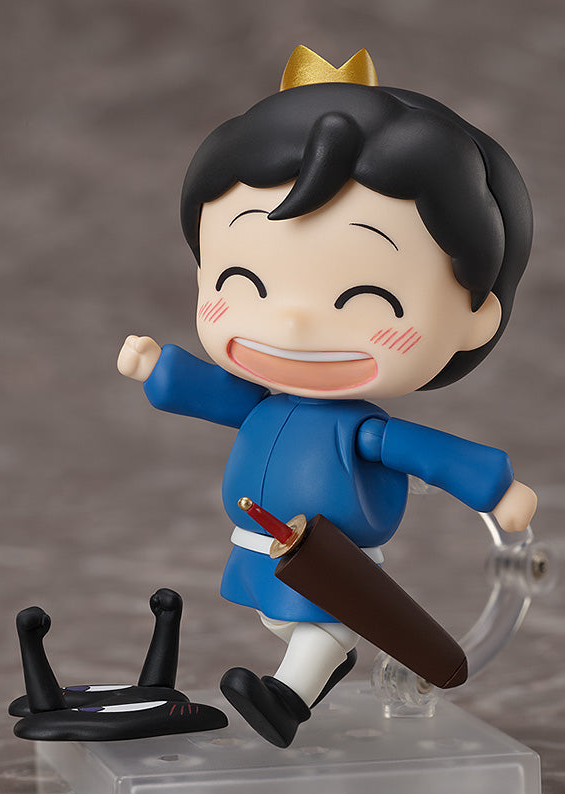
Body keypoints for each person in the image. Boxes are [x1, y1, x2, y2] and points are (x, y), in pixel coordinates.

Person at [117, 46, 537, 747]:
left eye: (365, 297)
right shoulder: (262, 404)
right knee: (281, 616)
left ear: (474, 315)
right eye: (242, 283)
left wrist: (494, 489)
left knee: (318, 625)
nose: (291, 323)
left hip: (331, 557)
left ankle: (289, 698)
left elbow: (429, 454)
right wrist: (160, 368)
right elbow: (216, 394)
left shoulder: (364, 432)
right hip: (258, 542)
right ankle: (317, 664)